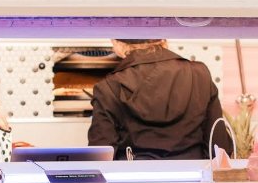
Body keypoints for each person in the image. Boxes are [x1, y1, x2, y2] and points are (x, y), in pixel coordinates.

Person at [88, 39, 233, 160]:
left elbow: (100, 156)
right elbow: (219, 147)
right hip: (193, 179)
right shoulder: (199, 74)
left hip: (134, 179)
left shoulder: (107, 87)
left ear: (118, 45)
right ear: (164, 41)